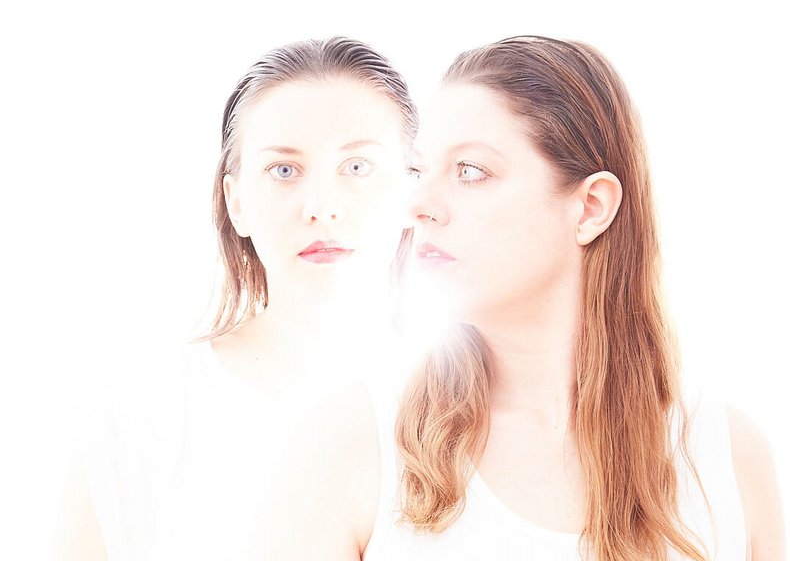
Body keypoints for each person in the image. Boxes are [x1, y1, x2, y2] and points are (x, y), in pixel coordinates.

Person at [267, 36, 784, 560]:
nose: (418, 204)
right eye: (419, 171)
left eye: (470, 172)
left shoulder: (729, 460)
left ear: (591, 208)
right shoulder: (352, 446)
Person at [57, 36, 418, 560]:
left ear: (413, 187)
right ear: (236, 201)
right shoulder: (137, 411)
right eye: (284, 170)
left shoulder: (472, 413)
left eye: (358, 166)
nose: (321, 207)